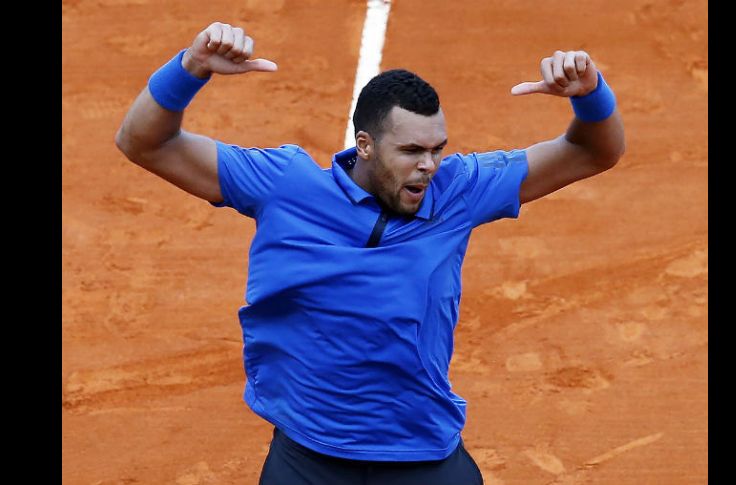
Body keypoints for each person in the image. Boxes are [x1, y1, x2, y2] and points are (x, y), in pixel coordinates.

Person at [115, 21, 624, 485]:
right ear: (365, 145)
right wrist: (191, 68)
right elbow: (145, 142)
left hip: (422, 456)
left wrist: (591, 95)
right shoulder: (285, 187)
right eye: (410, 152)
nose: (428, 166)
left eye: (436, 149)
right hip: (308, 457)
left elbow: (592, 151)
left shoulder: (458, 192)